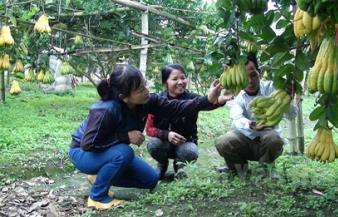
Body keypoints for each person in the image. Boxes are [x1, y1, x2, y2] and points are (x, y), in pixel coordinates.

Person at [69, 64, 224, 209]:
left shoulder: (146, 101)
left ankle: (99, 177)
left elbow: (175, 107)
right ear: (124, 97)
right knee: (124, 152)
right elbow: (88, 144)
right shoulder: (105, 110)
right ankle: (97, 197)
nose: (146, 90)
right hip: (83, 153)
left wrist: (208, 99)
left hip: (108, 151)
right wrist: (125, 137)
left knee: (150, 180)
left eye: (144, 85)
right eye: (140, 89)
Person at [214, 52, 297, 179]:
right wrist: (249, 125)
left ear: (259, 72)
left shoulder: (273, 88)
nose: (250, 81)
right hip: (244, 139)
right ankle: (239, 168)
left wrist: (287, 100)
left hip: (267, 139)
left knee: (274, 139)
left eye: (253, 75)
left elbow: (291, 116)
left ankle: (267, 167)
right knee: (223, 141)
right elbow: (237, 118)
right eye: (245, 77)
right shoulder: (234, 94)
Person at [145, 64, 233, 179]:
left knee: (191, 151)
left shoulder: (191, 97)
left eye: (183, 77)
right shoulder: (158, 101)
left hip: (185, 143)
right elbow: (149, 129)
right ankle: (162, 163)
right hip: (164, 144)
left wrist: (220, 99)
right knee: (153, 144)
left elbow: (206, 104)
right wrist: (167, 135)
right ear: (165, 82)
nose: (180, 82)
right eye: (175, 79)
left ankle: (179, 166)